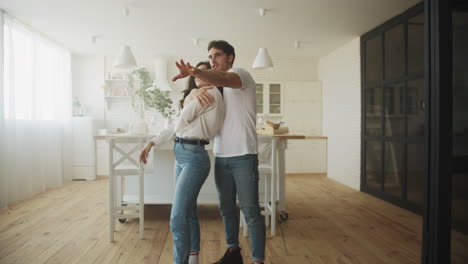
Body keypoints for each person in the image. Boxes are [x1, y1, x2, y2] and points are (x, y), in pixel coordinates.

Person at [172, 40, 265, 264]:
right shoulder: (217, 91)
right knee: (226, 209)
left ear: (230, 57)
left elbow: (222, 78)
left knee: (250, 211)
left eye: (217, 56)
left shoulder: (240, 76)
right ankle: (233, 254)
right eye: (210, 56)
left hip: (243, 155)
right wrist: (192, 94)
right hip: (221, 155)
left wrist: (194, 71)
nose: (213, 60)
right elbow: (208, 91)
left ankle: (257, 260)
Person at [140, 61, 224, 264]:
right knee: (187, 211)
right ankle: (193, 258)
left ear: (212, 76)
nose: (197, 75)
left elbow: (181, 122)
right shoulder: (197, 95)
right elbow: (176, 126)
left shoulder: (210, 93)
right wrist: (152, 141)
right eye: (195, 73)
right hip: (182, 153)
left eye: (202, 72)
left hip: (194, 157)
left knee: (177, 218)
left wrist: (190, 98)